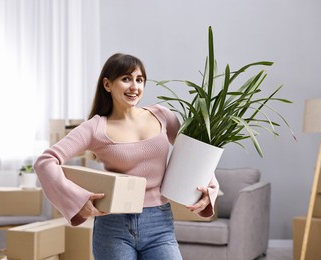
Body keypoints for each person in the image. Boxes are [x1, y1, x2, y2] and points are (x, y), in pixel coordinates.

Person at [34, 53, 219, 260]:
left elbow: (195, 153)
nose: (134, 87)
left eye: (139, 80)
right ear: (107, 84)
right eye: (126, 79)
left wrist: (209, 189)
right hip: (113, 226)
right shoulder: (95, 128)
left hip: (159, 223)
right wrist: (78, 200)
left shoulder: (162, 116)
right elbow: (45, 162)